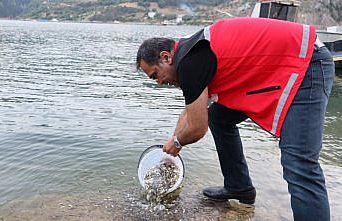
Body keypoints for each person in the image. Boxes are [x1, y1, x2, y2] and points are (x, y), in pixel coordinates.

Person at [136, 17, 334, 221]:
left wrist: (177, 142)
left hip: (307, 63)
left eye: (155, 75)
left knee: (299, 163)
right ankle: (239, 187)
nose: (159, 83)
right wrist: (173, 145)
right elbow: (190, 111)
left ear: (166, 57)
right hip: (279, 67)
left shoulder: (189, 62)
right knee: (219, 117)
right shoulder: (189, 51)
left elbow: (197, 127)